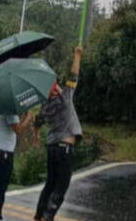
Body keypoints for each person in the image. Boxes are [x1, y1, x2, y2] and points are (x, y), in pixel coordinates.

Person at [32, 46, 83, 221]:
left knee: (50, 184)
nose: (61, 87)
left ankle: (39, 216)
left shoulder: (45, 106)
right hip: (64, 149)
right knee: (60, 187)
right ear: (56, 89)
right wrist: (76, 55)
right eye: (58, 86)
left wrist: (36, 136)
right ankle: (47, 217)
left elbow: (37, 122)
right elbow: (74, 75)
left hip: (52, 148)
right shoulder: (65, 97)